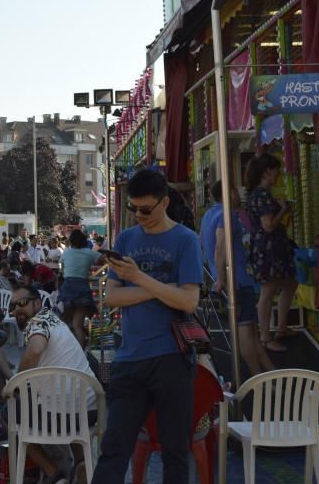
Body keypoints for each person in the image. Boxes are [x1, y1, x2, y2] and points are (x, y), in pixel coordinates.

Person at [92, 169, 203, 484]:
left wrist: (140, 278)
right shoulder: (126, 238)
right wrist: (163, 288)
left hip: (172, 358)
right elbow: (112, 297)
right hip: (130, 359)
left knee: (175, 451)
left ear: (164, 202)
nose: (138, 216)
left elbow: (189, 302)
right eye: (133, 208)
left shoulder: (185, 240)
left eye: (145, 209)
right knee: (114, 448)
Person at [9, 284, 100, 484]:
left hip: (61, 417)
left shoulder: (37, 322)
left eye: (22, 303)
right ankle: (81, 463)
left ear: (38, 303)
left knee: (9, 415)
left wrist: (16, 382)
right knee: (62, 399)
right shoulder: (56, 321)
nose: (17, 310)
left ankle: (54, 474)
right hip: (90, 411)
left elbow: (35, 350)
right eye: (13, 306)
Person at [208, 181, 274, 378]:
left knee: (251, 330)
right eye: (236, 190)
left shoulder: (211, 215)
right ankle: (258, 377)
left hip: (235, 279)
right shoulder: (225, 215)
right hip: (236, 280)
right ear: (231, 192)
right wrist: (222, 279)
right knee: (245, 330)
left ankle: (270, 372)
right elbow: (220, 247)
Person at [245, 155, 298, 353]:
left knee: (289, 283)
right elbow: (268, 226)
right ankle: (266, 336)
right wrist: (283, 210)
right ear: (267, 171)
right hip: (269, 249)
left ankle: (281, 327)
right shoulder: (262, 196)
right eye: (277, 170)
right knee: (268, 291)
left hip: (270, 248)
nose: (279, 174)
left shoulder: (258, 194)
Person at [57, 229, 101, 347]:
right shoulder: (89, 253)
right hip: (82, 290)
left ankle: (68, 350)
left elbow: (62, 269)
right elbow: (104, 259)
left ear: (71, 241)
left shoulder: (66, 252)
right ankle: (80, 354)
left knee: (65, 323)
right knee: (78, 326)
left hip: (68, 289)